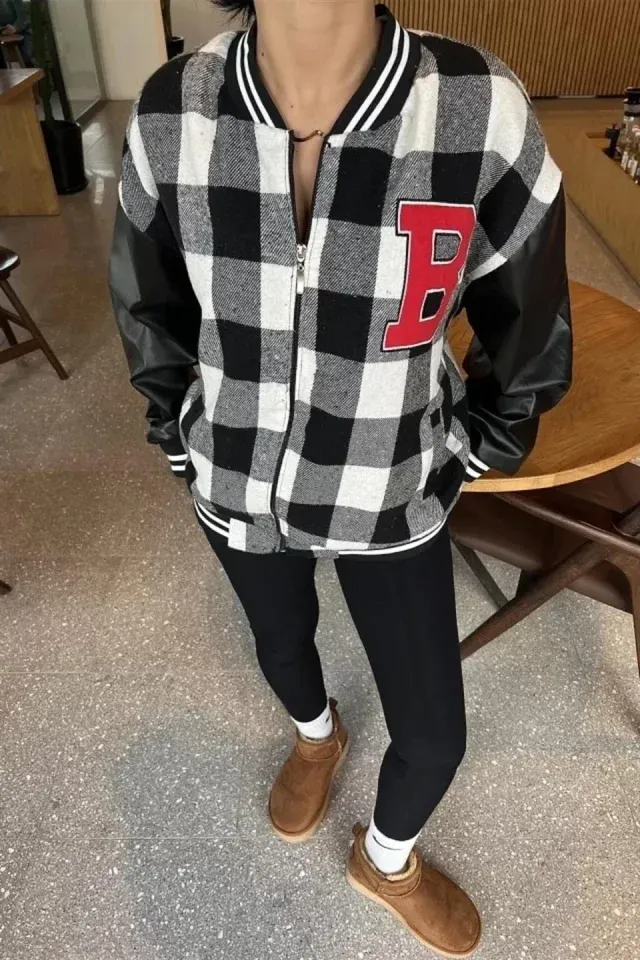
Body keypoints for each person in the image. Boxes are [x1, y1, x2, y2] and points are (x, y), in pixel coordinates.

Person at [109, 1, 572, 954]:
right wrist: (180, 436)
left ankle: (386, 860)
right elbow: (149, 300)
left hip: (390, 487)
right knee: (282, 645)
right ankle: (317, 734)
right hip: (237, 481)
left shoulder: (475, 107)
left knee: (435, 736)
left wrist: (476, 447)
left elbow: (527, 317)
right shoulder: (174, 109)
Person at [0, 0, 32, 65]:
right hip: (3, 34)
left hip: (21, 32)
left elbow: (23, 16)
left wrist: (15, 27)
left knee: (26, 56)